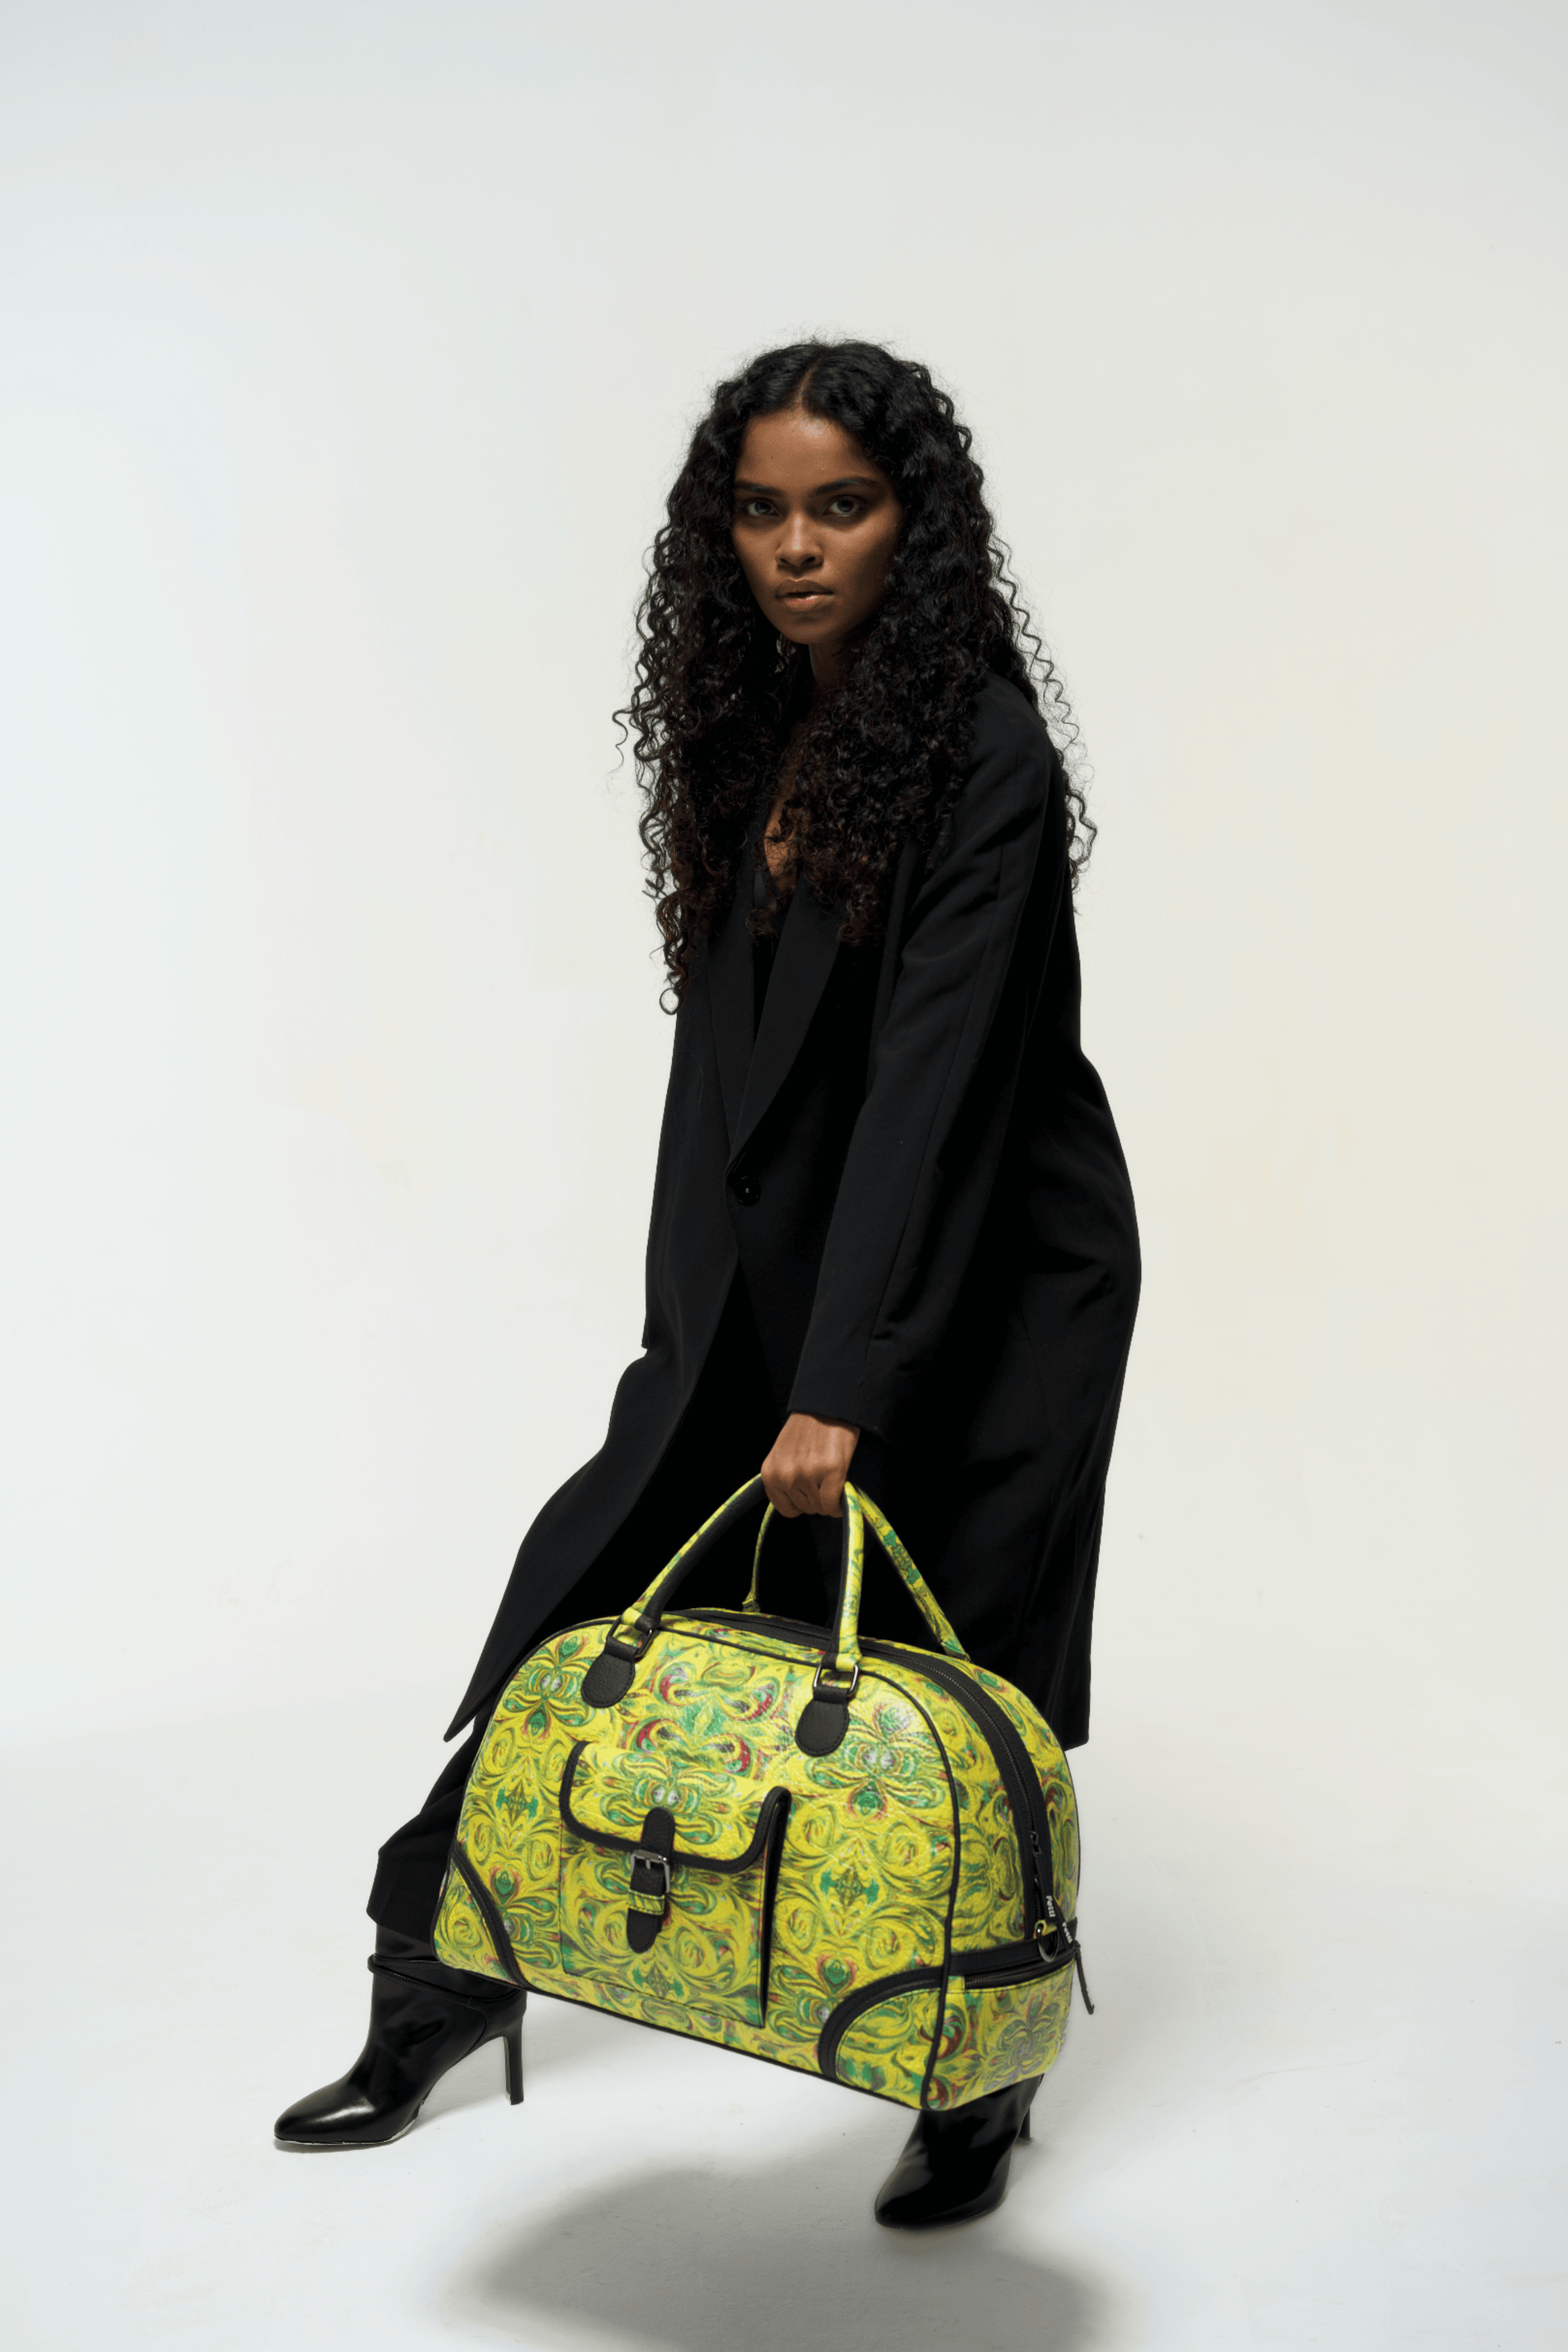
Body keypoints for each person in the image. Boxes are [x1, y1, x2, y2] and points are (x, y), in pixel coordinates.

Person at [275, 340, 1140, 2229]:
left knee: (949, 1699)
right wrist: (696, 1337)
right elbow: (729, 1076)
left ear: (916, 525)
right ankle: (434, 1984)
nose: (797, 547)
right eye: (761, 510)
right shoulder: (756, 737)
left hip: (975, 1287)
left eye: (843, 506)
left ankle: (970, 2083)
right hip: (771, 1275)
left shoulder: (982, 754)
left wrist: (845, 1379)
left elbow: (936, 1088)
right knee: (585, 1612)